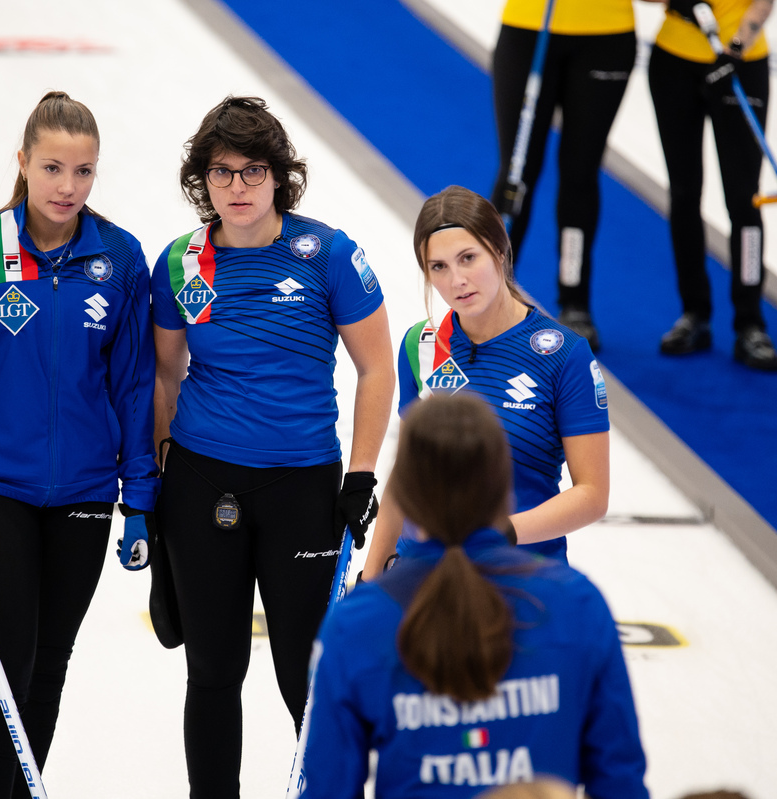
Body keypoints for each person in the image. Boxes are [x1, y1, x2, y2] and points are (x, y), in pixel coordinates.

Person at [151, 95, 396, 798]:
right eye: (222, 173)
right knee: (213, 670)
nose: (237, 187)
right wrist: (158, 477)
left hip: (301, 487)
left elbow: (377, 368)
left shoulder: (329, 254)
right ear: (204, 180)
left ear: (278, 176)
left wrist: (361, 472)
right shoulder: (181, 263)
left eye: (252, 171)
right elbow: (164, 376)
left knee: (308, 672)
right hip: (201, 483)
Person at [0, 90, 159, 798]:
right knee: (3, 668)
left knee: (49, 663)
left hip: (84, 496)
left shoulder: (118, 258)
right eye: (53, 168)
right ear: (23, 163)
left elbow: (135, 386)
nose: (68, 187)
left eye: (84, 171)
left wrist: (139, 496)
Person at [302, 393, 649, 798]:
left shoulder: (357, 624)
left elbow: (327, 789)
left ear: (408, 496)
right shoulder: (576, 605)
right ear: (506, 489)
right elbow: (619, 780)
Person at [362, 185, 609, 578]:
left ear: (499, 249)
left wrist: (498, 533)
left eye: (467, 258)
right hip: (421, 578)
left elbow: (592, 495)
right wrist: (371, 575)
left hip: (517, 578)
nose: (456, 280)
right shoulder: (420, 345)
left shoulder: (564, 355)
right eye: (438, 266)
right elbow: (407, 473)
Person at [491, 0, 656, 351]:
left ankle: (574, 298)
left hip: (605, 35)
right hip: (531, 27)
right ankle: (492, 291)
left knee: (580, 174)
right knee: (517, 173)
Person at [648, 0, 777, 370]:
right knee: (685, 193)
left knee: (744, 200)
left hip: (741, 62)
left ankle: (750, 322)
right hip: (673, 61)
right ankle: (694, 314)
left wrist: (736, 48)